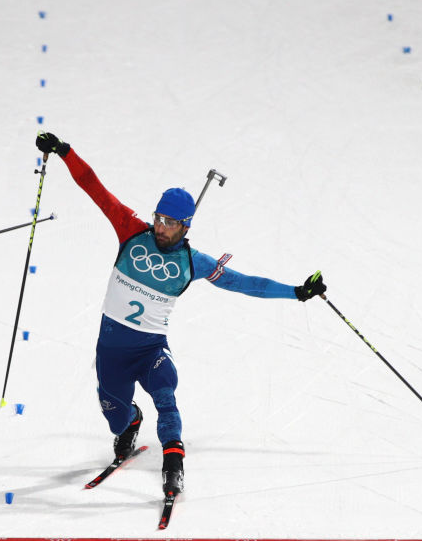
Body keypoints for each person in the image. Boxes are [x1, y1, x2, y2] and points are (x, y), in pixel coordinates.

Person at [35, 132, 327, 497]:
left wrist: (297, 292)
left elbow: (245, 284)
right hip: (111, 352)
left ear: (185, 226)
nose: (160, 227)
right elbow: (95, 188)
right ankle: (130, 422)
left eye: (170, 223)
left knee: (166, 398)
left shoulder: (193, 262)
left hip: (151, 349)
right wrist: (65, 152)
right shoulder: (131, 232)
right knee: (116, 419)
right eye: (159, 218)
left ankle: (174, 466)